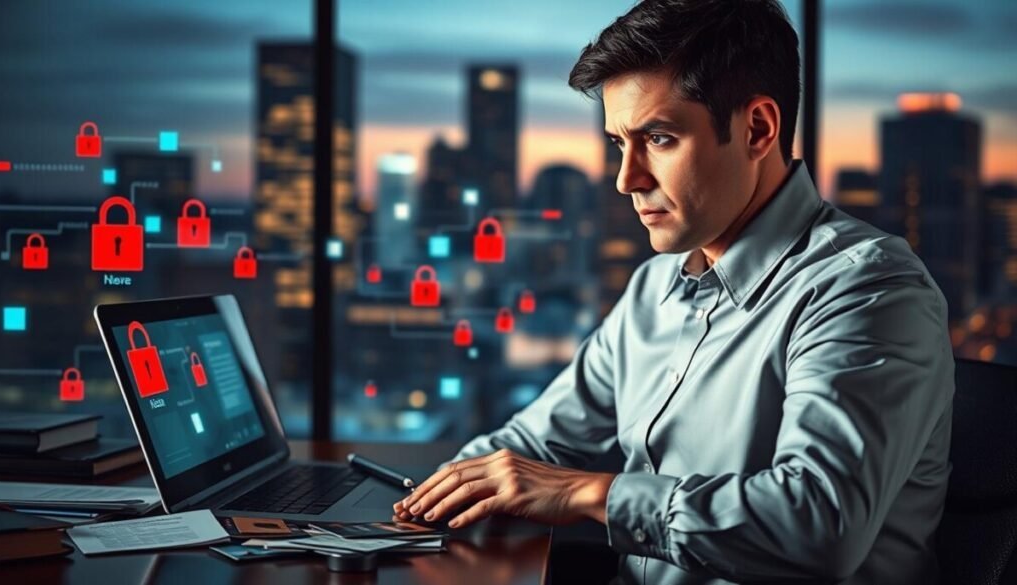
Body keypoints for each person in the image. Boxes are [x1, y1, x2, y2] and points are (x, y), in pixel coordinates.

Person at [393, 1, 954, 582]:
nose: (625, 178)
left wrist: (595, 495)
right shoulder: (654, 288)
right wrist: (415, 507)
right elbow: (535, 444)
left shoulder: (867, 289)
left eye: (658, 138)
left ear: (757, 129)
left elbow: (817, 523)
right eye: (618, 143)